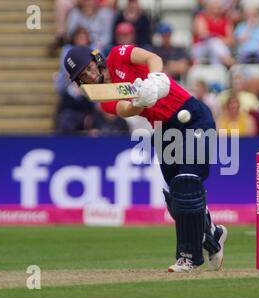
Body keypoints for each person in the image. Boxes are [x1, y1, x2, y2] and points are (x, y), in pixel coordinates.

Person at [63, 44, 228, 272]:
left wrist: (155, 79)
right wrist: (139, 102)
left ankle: (188, 257)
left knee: (187, 183)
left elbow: (152, 57)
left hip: (194, 117)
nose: (90, 76)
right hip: (164, 131)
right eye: (82, 76)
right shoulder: (106, 98)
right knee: (178, 198)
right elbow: (125, 110)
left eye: (89, 69)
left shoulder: (119, 55)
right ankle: (213, 236)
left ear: (97, 59)